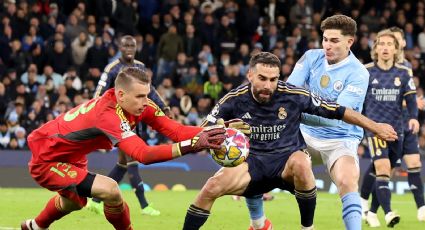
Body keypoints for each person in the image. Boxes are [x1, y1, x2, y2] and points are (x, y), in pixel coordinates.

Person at [181, 52, 398, 230]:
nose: (268, 85)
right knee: (211, 187)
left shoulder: (293, 95)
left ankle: (307, 228)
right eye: (262, 78)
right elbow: (202, 131)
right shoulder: (234, 99)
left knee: (302, 163)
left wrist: (375, 127)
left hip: (286, 162)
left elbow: (337, 110)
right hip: (252, 165)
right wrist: (224, 128)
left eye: (273, 79)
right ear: (250, 75)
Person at [21, 67, 226, 230]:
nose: (146, 102)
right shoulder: (108, 115)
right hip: (48, 159)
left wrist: (218, 129)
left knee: (74, 203)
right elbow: (143, 154)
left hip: (73, 156)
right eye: (140, 96)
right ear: (120, 95)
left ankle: (35, 226)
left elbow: (177, 130)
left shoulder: (139, 105)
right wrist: (192, 145)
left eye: (147, 95)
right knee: (111, 190)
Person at [246, 15, 368, 230]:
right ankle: (258, 223)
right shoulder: (312, 57)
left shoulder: (359, 73)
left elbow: (335, 118)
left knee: (348, 181)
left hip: (339, 138)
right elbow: (288, 93)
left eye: (334, 41)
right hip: (303, 135)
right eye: (325, 39)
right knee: (254, 158)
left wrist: (293, 114)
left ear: (350, 42)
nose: (327, 46)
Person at [87, 35, 169, 216]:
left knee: (123, 164)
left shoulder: (139, 67)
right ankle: (144, 205)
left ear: (136, 46)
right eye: (126, 45)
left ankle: (95, 200)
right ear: (120, 47)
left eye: (132, 45)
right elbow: (98, 94)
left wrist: (163, 107)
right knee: (132, 162)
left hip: (134, 119)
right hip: (116, 120)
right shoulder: (112, 68)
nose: (129, 48)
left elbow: (150, 90)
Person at [360, 27, 425, 223]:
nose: (386, 48)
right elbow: (358, 101)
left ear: (397, 48)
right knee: (381, 167)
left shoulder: (404, 72)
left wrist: (414, 117)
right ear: (376, 48)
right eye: (382, 44)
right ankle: (389, 213)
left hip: (399, 130)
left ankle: (369, 209)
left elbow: (411, 100)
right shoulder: (365, 71)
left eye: (390, 44)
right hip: (375, 129)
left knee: (386, 170)